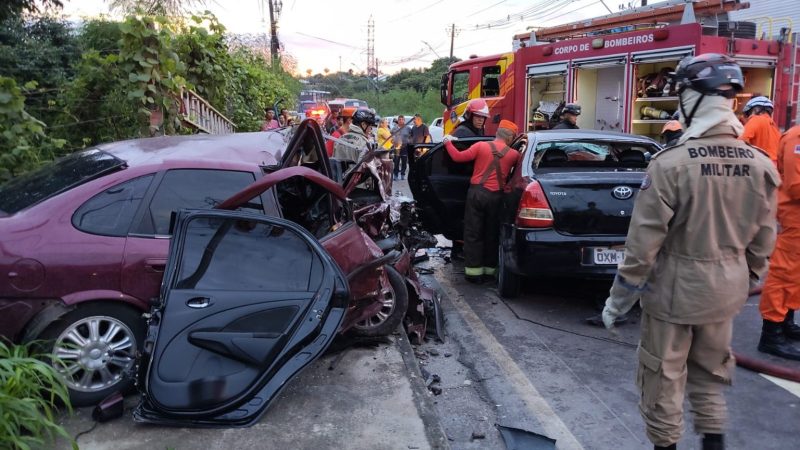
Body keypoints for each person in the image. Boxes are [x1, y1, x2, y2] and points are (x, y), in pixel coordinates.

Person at [601, 54, 779, 450]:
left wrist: (618, 303)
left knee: (662, 377)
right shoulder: (760, 164)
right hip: (726, 293)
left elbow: (642, 246)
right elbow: (764, 239)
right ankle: (713, 443)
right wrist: (743, 278)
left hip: (674, 294)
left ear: (695, 99)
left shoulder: (671, 164)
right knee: (711, 375)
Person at [441, 119, 521, 283]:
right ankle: (490, 270)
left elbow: (457, 157)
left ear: (498, 133)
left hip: (477, 194)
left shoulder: (481, 146)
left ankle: (474, 273)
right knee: (491, 233)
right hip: (497, 197)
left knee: (473, 233)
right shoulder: (514, 155)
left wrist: (448, 142)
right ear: (511, 137)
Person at [757, 124, 800, 360]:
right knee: (784, 273)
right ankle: (771, 334)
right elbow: (795, 186)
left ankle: (785, 323)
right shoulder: (796, 138)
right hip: (794, 217)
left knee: (795, 275)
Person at [739, 96, 780, 163]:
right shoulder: (775, 127)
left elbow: (740, 141)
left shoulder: (756, 119)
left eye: (749, 113)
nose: (749, 117)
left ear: (755, 110)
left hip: (761, 165)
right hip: (774, 168)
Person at [392, 115, 409, 180]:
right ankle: (395, 175)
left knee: (404, 161)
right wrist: (393, 141)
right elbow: (390, 135)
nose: (401, 120)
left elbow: (411, 136)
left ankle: (402, 174)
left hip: (405, 147)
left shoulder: (408, 128)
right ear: (398, 120)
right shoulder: (394, 128)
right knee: (396, 161)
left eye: (402, 119)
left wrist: (409, 141)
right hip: (397, 147)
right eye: (400, 119)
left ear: (404, 120)